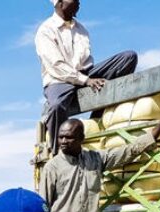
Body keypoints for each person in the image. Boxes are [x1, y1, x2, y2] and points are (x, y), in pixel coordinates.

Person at [36, 0, 138, 153]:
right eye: (75, 0)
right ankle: (59, 154)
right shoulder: (46, 30)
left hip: (85, 74)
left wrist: (88, 78)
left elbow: (86, 62)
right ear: (60, 3)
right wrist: (86, 80)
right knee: (56, 106)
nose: (79, 2)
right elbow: (56, 66)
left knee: (128, 57)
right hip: (59, 79)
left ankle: (97, 119)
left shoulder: (81, 29)